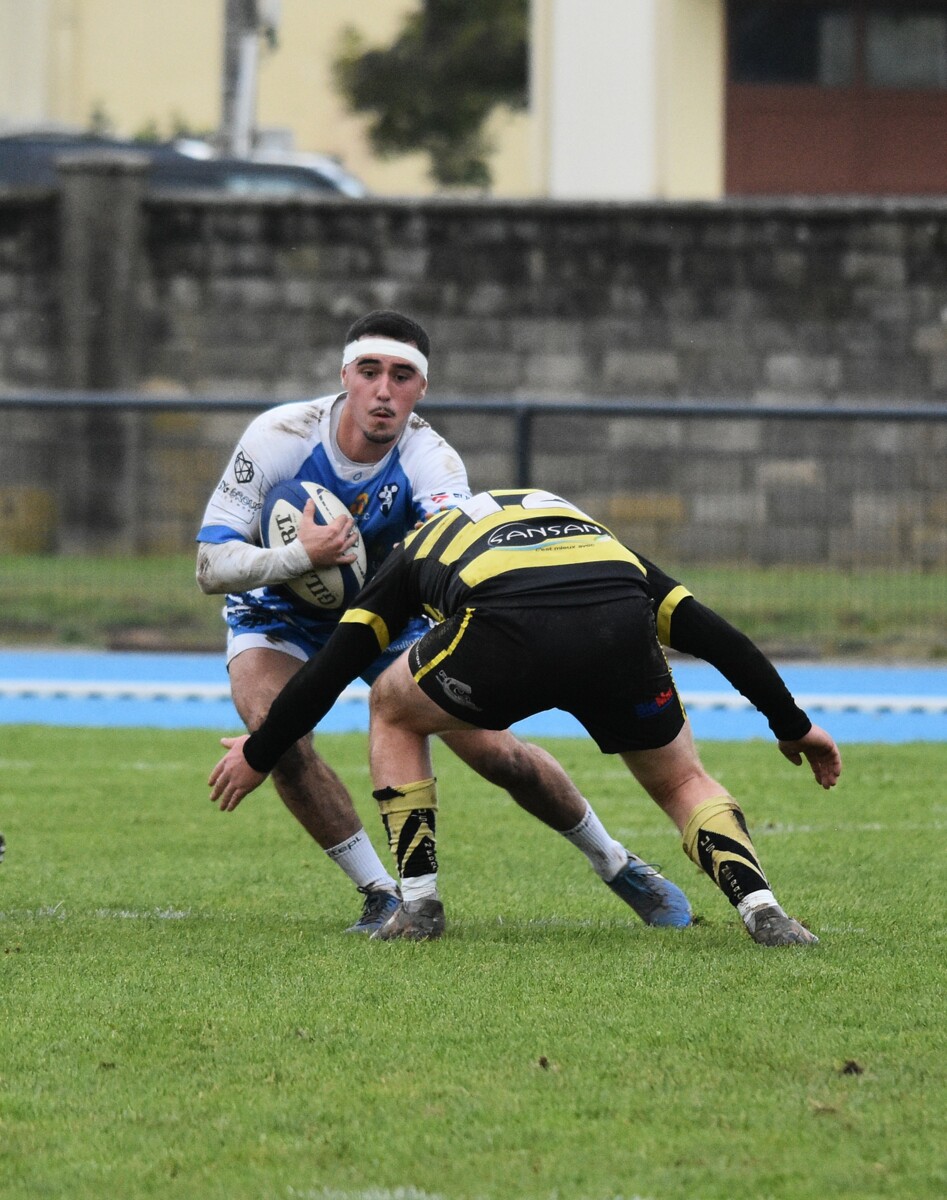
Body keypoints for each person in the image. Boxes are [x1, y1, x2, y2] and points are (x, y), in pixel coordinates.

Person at [197, 313, 692, 934]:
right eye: (370, 372)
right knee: (279, 736)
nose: (384, 390)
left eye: (402, 376)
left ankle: (616, 863)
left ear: (421, 388)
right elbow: (210, 566)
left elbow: (454, 567)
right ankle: (382, 895)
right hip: (274, 612)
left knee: (499, 755)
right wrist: (300, 557)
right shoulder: (279, 437)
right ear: (345, 376)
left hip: (392, 616)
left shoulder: (432, 461)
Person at [209, 487, 842, 947]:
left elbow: (332, 668)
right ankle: (763, 910)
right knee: (681, 780)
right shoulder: (588, 531)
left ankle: (419, 905)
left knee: (393, 710)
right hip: (615, 624)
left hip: (505, 632)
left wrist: (260, 752)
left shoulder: (414, 547)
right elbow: (720, 638)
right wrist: (793, 725)